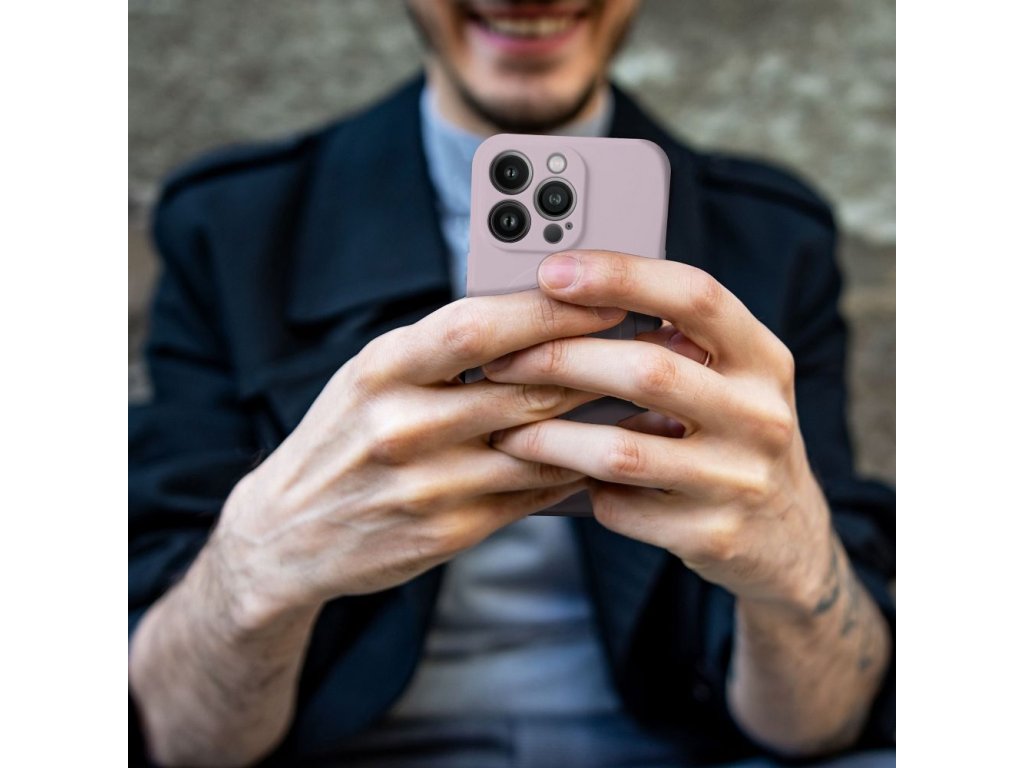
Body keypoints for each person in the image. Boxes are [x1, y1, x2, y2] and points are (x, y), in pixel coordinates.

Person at [128, 1, 895, 766]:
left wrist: (796, 573)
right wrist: (257, 563)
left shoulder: (774, 238)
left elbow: (822, 724)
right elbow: (178, 739)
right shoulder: (231, 227)